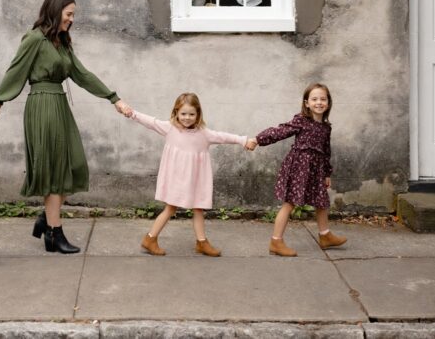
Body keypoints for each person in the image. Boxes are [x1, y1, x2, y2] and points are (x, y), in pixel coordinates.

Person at [0, 0, 133, 254]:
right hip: (42, 105)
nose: (72, 19)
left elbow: (81, 74)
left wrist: (114, 98)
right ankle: (54, 234)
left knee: (75, 165)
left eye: (73, 15)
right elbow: (15, 71)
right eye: (69, 14)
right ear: (55, 12)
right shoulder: (34, 39)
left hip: (59, 105)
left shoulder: (62, 42)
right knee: (54, 171)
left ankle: (47, 217)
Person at [117, 92, 256, 257]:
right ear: (176, 113)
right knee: (170, 208)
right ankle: (150, 239)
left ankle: (202, 242)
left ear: (198, 115)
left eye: (191, 114)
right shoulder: (170, 128)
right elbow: (149, 121)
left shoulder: (204, 133)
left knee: (199, 208)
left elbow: (223, 136)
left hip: (197, 179)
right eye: (183, 113)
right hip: (177, 178)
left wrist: (243, 140)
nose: (187, 118)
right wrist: (131, 113)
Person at [254, 82, 347, 256]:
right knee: (290, 203)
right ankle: (276, 241)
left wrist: (327, 172)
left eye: (323, 99)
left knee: (321, 201)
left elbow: (326, 151)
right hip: (299, 167)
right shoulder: (301, 121)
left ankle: (325, 236)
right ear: (306, 103)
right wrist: (258, 139)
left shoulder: (326, 128)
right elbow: (280, 131)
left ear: (328, 102)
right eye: (314, 99)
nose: (319, 102)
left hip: (316, 169)